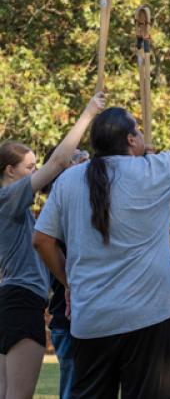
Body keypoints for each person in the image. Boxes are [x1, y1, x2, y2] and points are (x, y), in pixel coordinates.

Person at [33, 88, 170, 399]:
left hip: (91, 320)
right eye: (137, 129)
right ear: (131, 140)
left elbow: (42, 240)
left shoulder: (69, 180)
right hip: (148, 319)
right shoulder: (151, 172)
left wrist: (68, 282)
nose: (141, 133)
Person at [0, 93, 105, 399]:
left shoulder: (16, 209)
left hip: (9, 302)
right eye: (30, 168)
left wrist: (77, 168)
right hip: (22, 303)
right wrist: (88, 113)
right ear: (10, 171)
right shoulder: (8, 199)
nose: (35, 173)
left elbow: (59, 188)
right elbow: (57, 162)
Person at [42, 148, 89, 399]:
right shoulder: (59, 207)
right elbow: (42, 242)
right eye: (76, 156)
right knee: (75, 390)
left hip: (88, 316)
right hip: (70, 317)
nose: (85, 158)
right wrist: (69, 284)